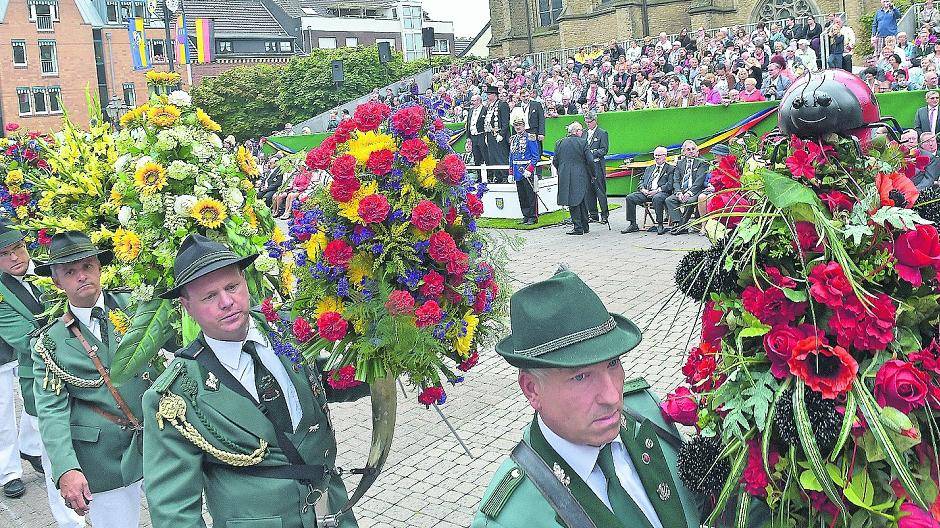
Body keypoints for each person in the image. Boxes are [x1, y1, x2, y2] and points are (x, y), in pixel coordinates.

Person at [142, 234, 366, 528]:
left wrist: (381, 364)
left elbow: (323, 380)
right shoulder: (177, 396)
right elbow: (174, 511)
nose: (226, 302)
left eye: (232, 287)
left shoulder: (286, 329)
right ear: (187, 307)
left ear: (245, 282)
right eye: (210, 296)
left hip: (331, 511)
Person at [471, 269, 706, 528]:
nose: (613, 396)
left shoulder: (645, 410)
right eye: (581, 376)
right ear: (532, 389)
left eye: (613, 363)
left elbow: (708, 505)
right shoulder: (513, 519)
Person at [31, 232, 154, 527]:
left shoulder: (138, 305)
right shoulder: (51, 342)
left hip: (159, 440)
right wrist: (66, 468)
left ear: (100, 267)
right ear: (57, 281)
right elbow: (51, 411)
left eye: (87, 266)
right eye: (70, 272)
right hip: (105, 457)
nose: (81, 276)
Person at [0, 222, 84, 526]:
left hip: (85, 374)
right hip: (40, 380)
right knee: (56, 459)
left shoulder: (54, 271)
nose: (14, 258)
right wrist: (76, 331)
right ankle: (69, 521)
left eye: (18, 248)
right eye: (4, 254)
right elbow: (26, 340)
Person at [553, 122, 593, 236]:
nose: (582, 132)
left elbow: (555, 161)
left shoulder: (559, 143)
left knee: (572, 201)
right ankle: (584, 226)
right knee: (582, 200)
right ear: (575, 131)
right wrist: (592, 174)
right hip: (581, 174)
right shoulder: (583, 142)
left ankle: (578, 226)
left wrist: (561, 169)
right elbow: (590, 160)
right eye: (581, 130)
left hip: (565, 174)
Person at [622, 147, 674, 235]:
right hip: (647, 192)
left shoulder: (670, 168)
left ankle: (660, 224)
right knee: (630, 198)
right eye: (655, 156)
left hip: (661, 193)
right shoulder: (649, 168)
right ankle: (633, 224)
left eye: (659, 155)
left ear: (665, 156)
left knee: (657, 198)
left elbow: (670, 184)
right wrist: (643, 189)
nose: (657, 158)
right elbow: (641, 181)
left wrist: (657, 190)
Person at [666, 141, 708, 235]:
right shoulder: (680, 163)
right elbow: (676, 180)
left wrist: (689, 193)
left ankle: (681, 226)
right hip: (682, 190)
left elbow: (699, 181)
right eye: (688, 149)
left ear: (697, 150)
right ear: (684, 152)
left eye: (693, 149)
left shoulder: (702, 162)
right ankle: (680, 223)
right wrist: (678, 192)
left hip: (695, 191)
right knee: (669, 200)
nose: (691, 151)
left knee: (690, 201)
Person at [509, 111, 542, 226]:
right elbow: (511, 157)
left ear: (524, 125)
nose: (518, 127)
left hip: (527, 170)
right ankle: (526, 215)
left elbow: (535, 156)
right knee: (522, 195)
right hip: (517, 171)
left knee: (530, 194)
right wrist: (510, 172)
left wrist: (530, 169)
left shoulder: (531, 137)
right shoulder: (513, 139)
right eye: (516, 125)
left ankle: (533, 216)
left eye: (520, 125)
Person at [583, 112, 610, 224]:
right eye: (586, 122)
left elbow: (604, 150)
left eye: (590, 122)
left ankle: (604, 214)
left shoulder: (602, 133)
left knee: (600, 190)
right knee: (589, 190)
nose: (588, 124)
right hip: (587, 166)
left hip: (597, 165)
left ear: (595, 121)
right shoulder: (584, 133)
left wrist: (591, 153)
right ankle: (593, 214)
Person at [484, 86, 511, 183]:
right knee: (493, 157)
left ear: (494, 95)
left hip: (499, 134)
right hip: (490, 134)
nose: (488, 96)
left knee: (501, 156)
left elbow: (505, 122)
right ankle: (498, 176)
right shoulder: (490, 106)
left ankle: (505, 176)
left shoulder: (502, 105)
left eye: (489, 94)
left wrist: (502, 134)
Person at [465, 94, 488, 166]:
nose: (472, 102)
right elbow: (468, 123)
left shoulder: (485, 109)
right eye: (471, 100)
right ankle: (479, 176)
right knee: (476, 157)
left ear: (479, 101)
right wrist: (468, 137)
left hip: (482, 135)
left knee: (485, 156)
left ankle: (489, 175)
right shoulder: (471, 110)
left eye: (474, 101)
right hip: (473, 136)